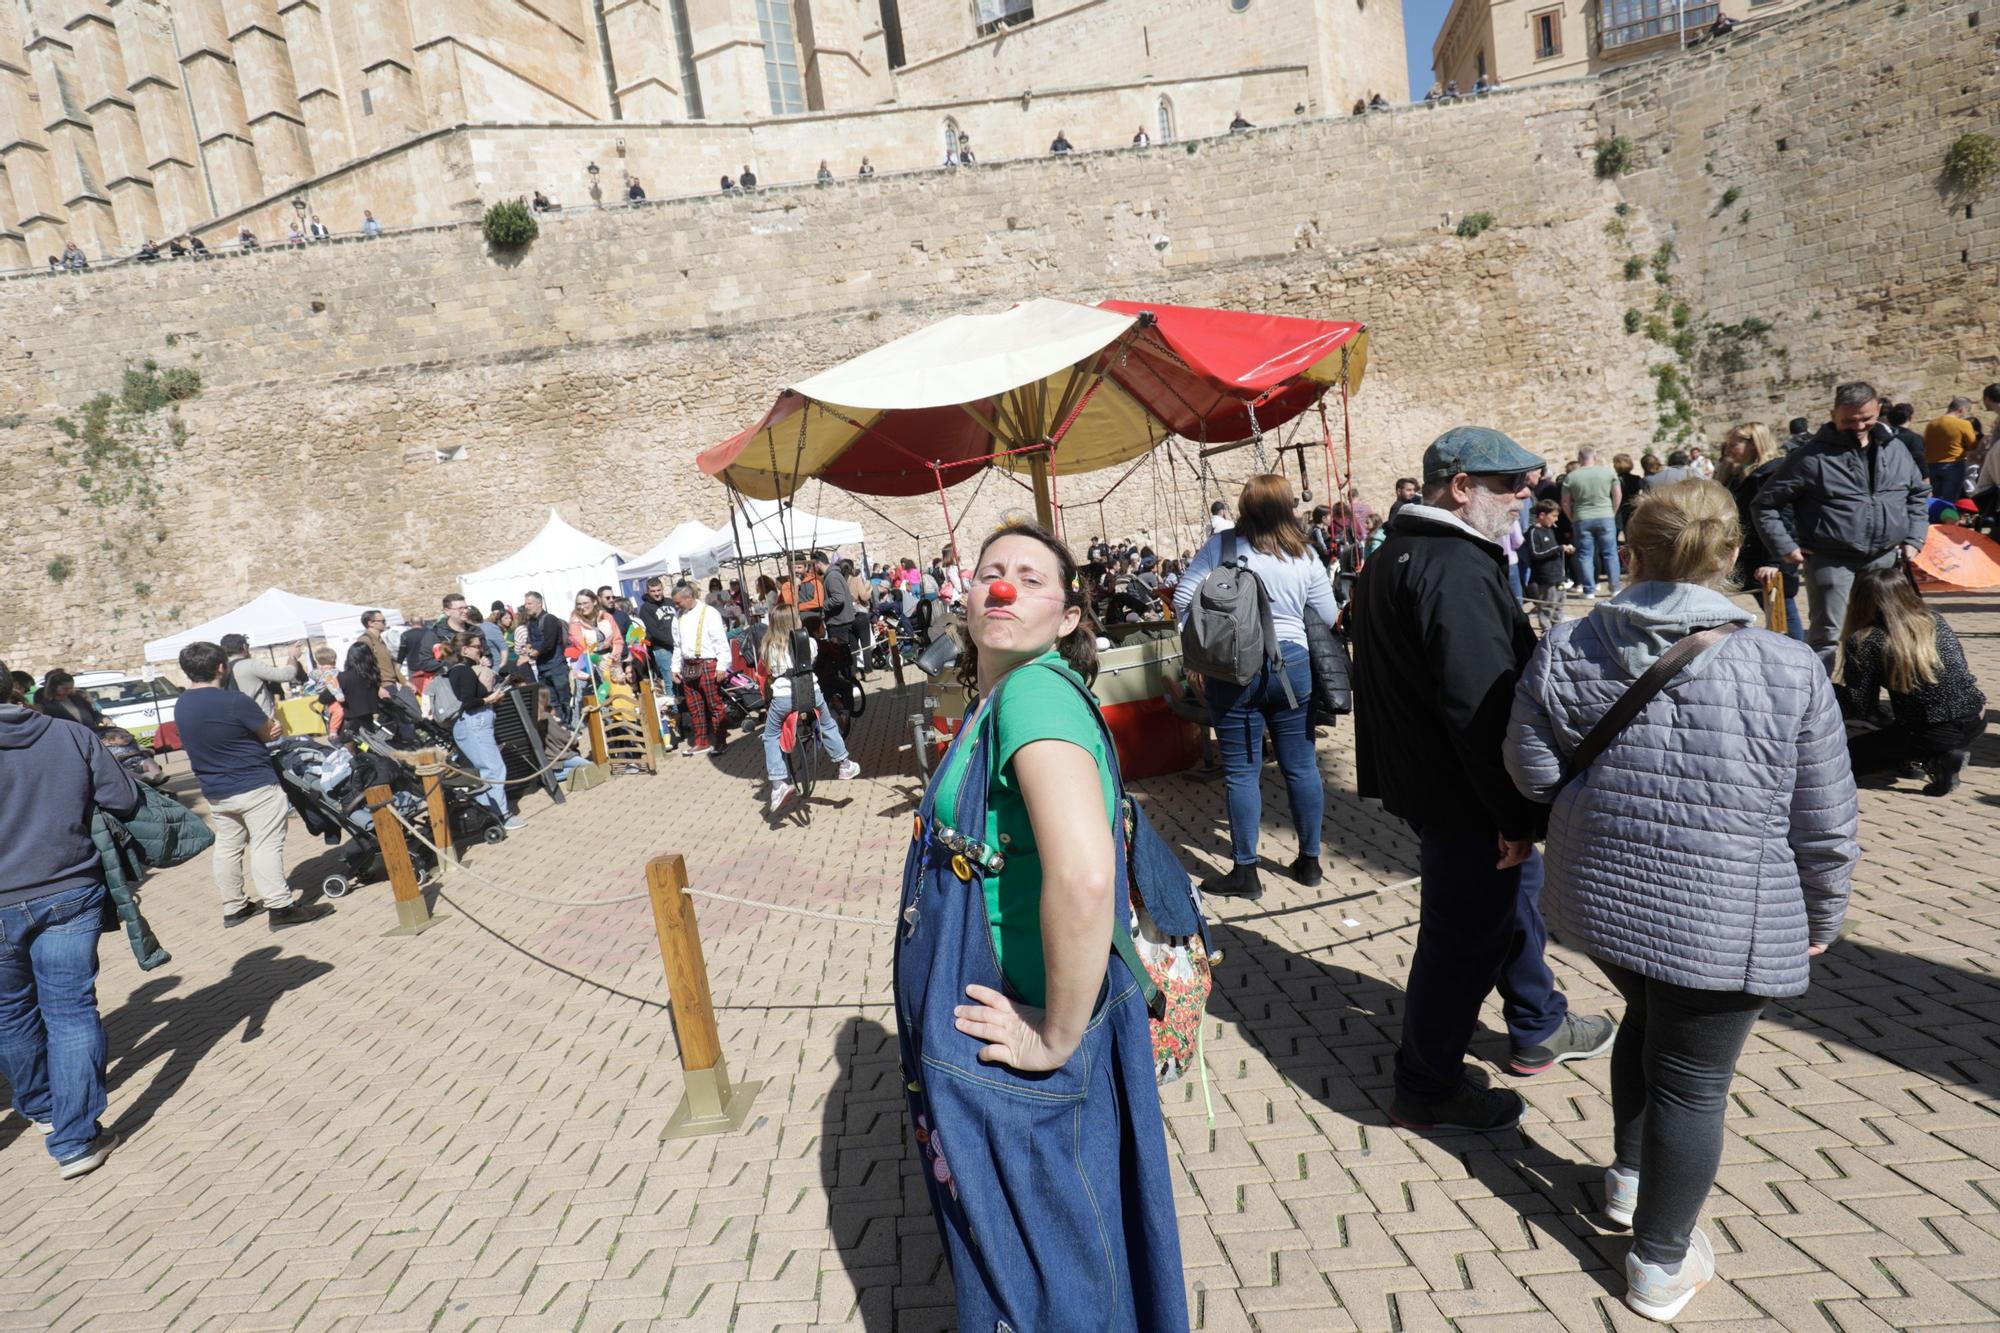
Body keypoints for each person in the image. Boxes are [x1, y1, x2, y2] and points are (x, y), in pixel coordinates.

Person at [1503, 479, 1857, 1324]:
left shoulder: (1567, 645)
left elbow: (1532, 768)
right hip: (1722, 916)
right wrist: (1824, 909)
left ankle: (1629, 1179)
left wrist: (1593, 803)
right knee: (1694, 1081)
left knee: (1648, 1025)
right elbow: (1825, 818)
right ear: (1732, 554)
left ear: (1631, 550)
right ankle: (1659, 1262)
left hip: (1605, 898)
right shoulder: (1785, 663)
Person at [894, 520, 1187, 1332]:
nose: (1003, 586)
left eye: (1030, 577)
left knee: (1052, 1289)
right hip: (1012, 1042)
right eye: (992, 571)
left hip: (1027, 1054)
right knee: (1068, 1267)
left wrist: (1051, 1035)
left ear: (1067, 617)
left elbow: (1087, 873)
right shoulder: (1003, 696)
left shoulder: (1032, 693)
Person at [1351, 426, 1615, 1133]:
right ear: (1460, 487)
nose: (1526, 495)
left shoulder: (1395, 554)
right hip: (1465, 794)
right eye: (1509, 484)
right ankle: (1427, 1084)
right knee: (1460, 940)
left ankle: (1538, 1020)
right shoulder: (1454, 566)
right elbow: (1479, 706)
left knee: (1506, 902)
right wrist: (1514, 814)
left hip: (1438, 786)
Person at [0, 656, 141, 1179]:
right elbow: (123, 797)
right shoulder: (66, 734)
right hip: (68, 887)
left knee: (11, 1012)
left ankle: (41, 1108)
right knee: (70, 1013)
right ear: (13, 689)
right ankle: (75, 1139)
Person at [1173, 474, 1338, 896]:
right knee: (1300, 766)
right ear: (1287, 507)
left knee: (1242, 772)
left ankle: (1246, 872)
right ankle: (1310, 862)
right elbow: (1327, 611)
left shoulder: (1222, 548)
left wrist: (1205, 648)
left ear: (1245, 507)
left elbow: (1182, 600)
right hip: (1293, 663)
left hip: (1232, 668)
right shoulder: (1303, 554)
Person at [1754, 382, 1930, 661]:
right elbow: (1765, 504)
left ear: (1878, 411)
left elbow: (1918, 494)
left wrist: (1915, 537)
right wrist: (1785, 546)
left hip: (1884, 560)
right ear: (1833, 414)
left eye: (1866, 418)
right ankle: (1820, 701)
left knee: (1883, 633)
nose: (1859, 426)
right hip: (1831, 561)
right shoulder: (1809, 458)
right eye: (1849, 420)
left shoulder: (1895, 448)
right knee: (1827, 637)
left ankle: (1869, 700)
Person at [175, 641, 330, 931]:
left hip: (215, 788)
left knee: (228, 845)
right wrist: (271, 729)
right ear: (221, 667)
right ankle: (280, 906)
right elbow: (268, 731)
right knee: (266, 844)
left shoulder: (182, 704)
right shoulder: (233, 700)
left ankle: (234, 905)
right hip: (253, 782)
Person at [1833, 565, 1985, 795]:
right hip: (1975, 716)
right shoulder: (1933, 619)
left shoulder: (1866, 640)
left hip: (1931, 730)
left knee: (1840, 762)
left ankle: (1936, 757)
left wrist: (1832, 692)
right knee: (1900, 724)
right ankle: (1920, 757)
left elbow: (1861, 706)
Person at [760, 605, 860, 811]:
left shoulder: (768, 646)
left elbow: (768, 669)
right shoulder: (810, 642)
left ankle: (778, 782)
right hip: (810, 693)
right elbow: (812, 659)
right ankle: (844, 763)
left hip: (783, 697)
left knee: (770, 735)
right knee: (827, 724)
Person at [1717, 423, 1804, 640]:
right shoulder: (1742, 475)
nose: (1728, 449)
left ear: (1754, 444)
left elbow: (1785, 519)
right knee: (1774, 616)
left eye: (1733, 444)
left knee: (1783, 614)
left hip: (1771, 559)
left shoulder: (1772, 472)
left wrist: (1775, 562)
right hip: (1754, 557)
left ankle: (1798, 661)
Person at [442, 632, 523, 830]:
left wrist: (490, 694)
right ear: (465, 649)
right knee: (493, 769)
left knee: (487, 768)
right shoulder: (463, 671)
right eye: (477, 647)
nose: (481, 650)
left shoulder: (462, 670)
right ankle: (500, 814)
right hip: (473, 723)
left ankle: (490, 812)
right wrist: (489, 699)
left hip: (475, 724)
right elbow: (468, 701)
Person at [670, 580, 731, 756]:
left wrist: (722, 666)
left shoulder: (709, 612)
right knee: (694, 706)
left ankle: (721, 742)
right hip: (688, 666)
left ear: (688, 598)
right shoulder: (678, 616)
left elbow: (720, 641)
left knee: (715, 706)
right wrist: (675, 667)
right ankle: (701, 742)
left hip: (707, 663)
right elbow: (677, 645)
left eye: (677, 602)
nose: (676, 606)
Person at [1561, 446, 1624, 598]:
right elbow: (1617, 495)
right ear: (1594, 456)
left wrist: (1573, 518)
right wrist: (1612, 512)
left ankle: (1589, 590)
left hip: (1582, 517)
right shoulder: (1608, 473)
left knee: (1585, 555)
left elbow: (1565, 502)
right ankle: (1615, 588)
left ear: (1579, 458)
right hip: (1605, 515)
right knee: (1610, 553)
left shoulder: (1571, 477)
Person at [223, 634, 306, 717]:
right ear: (244, 646)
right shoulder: (251, 665)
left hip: (239, 720)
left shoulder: (222, 670)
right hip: (262, 720)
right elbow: (286, 675)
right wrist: (292, 656)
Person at [519, 591, 570, 722]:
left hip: (556, 666)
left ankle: (571, 723)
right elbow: (530, 641)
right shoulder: (531, 622)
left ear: (539, 603)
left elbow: (549, 643)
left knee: (564, 698)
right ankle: (560, 724)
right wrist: (528, 647)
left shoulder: (549, 619)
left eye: (529, 603)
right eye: (525, 604)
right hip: (542, 668)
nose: (526, 606)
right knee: (551, 700)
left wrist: (535, 653)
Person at [1523, 499, 1572, 633]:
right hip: (1546, 577)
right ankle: (1546, 631)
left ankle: (1557, 629)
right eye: (1554, 516)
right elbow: (1536, 554)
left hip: (1558, 576)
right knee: (1547, 605)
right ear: (1542, 515)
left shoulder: (1550, 530)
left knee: (1559, 604)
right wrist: (1558, 549)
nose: (1555, 520)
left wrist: (1564, 549)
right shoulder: (1534, 532)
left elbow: (1554, 549)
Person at [1924, 397, 1979, 504]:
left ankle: (1935, 519)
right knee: (1950, 500)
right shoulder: (1963, 424)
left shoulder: (1931, 424)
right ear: (1961, 409)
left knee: (1935, 499)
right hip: (1953, 464)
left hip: (1931, 465)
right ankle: (1948, 520)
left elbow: (1926, 444)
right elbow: (1972, 445)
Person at [333, 640, 382, 736]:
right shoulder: (372, 674)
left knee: (350, 746)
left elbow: (326, 697)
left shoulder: (343, 677)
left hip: (351, 719)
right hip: (369, 718)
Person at [636, 577, 677, 685]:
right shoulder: (645, 608)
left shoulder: (670, 602)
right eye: (653, 591)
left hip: (678, 646)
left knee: (682, 679)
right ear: (648, 592)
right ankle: (673, 702)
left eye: (659, 590)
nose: (657, 593)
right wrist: (672, 642)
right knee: (670, 682)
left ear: (662, 589)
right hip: (662, 649)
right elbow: (654, 631)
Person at [36, 671, 101, 730]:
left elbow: (93, 713)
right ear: (54, 687)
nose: (69, 691)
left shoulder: (78, 698)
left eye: (71, 688)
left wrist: (102, 718)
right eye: (65, 688)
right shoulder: (47, 705)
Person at [1885, 401, 1926, 471]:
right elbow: (1919, 460)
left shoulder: (1883, 437)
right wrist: (1926, 478)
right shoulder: (1914, 438)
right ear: (1909, 419)